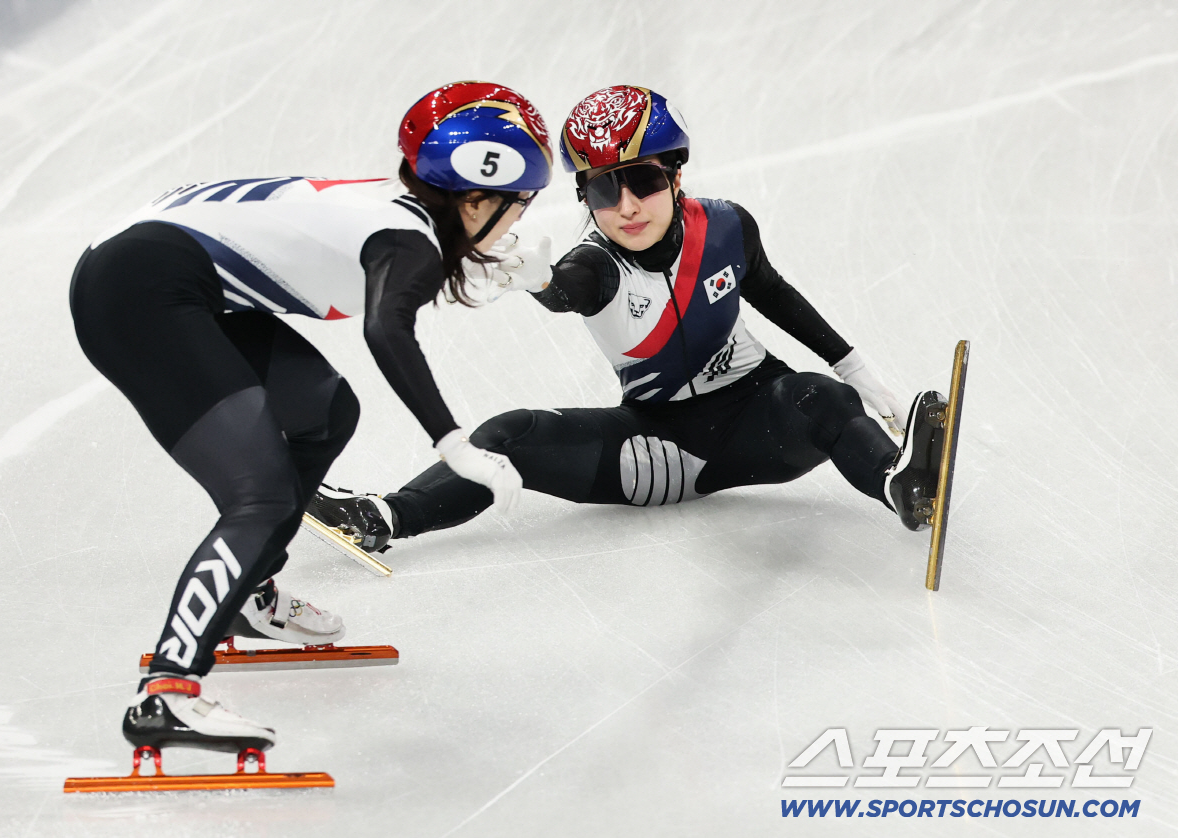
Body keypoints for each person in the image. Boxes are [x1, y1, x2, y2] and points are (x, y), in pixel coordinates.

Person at [69, 81, 551, 756]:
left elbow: (395, 264)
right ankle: (166, 691)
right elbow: (388, 326)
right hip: (142, 293)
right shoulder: (407, 240)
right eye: (521, 202)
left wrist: (490, 267)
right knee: (260, 496)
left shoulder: (398, 214)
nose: (520, 216)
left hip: (153, 271)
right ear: (477, 196)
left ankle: (245, 594)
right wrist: (453, 443)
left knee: (324, 412)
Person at [310, 84, 942, 562]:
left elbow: (773, 291)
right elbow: (565, 291)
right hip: (665, 450)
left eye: (641, 180)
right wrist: (536, 279)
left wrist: (859, 373)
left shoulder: (725, 226)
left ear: (675, 173)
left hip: (766, 422)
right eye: (602, 191)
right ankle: (385, 518)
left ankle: (899, 484)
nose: (627, 206)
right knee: (510, 433)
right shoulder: (595, 264)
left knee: (816, 393)